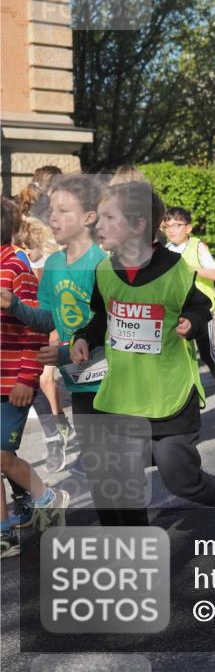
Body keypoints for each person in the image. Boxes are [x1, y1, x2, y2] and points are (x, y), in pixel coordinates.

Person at [70, 183, 215, 538]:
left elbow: (201, 306)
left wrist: (192, 322)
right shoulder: (105, 271)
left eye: (108, 218)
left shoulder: (175, 269)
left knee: (179, 478)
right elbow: (101, 316)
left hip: (169, 393)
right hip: (123, 395)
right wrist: (84, 337)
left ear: (136, 227)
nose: (98, 226)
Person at [1, 175, 106, 515]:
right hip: (79, 377)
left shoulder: (103, 264)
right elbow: (47, 319)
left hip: (112, 376)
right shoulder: (56, 264)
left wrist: (58, 355)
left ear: (89, 217)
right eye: (51, 210)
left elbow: (109, 325)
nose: (52, 218)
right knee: (98, 461)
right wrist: (15, 307)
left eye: (62, 210)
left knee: (136, 462)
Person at [1, 197, 69, 558]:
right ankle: (4, 532)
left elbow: (35, 328)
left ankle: (47, 497)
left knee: (2, 457)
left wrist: (28, 377)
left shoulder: (16, 267)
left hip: (11, 381)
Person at [162, 207, 215, 417]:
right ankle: (185, 398)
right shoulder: (166, 250)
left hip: (201, 307)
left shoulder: (197, 246)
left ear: (189, 228)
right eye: (167, 226)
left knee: (206, 351)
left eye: (176, 225)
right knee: (181, 354)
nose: (171, 230)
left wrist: (191, 269)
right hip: (177, 308)